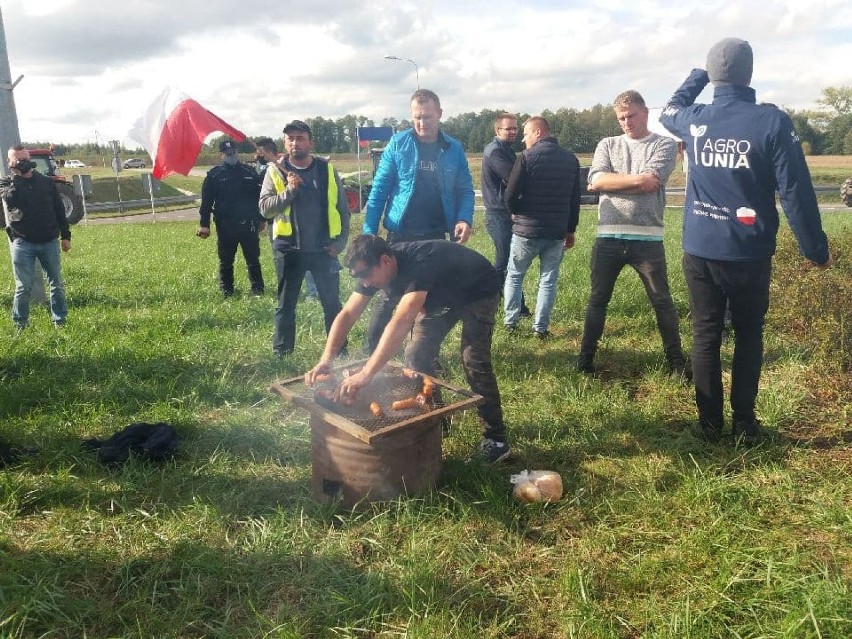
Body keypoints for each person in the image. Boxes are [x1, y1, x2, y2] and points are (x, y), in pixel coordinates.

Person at [659, 37, 833, 444]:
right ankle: (745, 423)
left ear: (714, 76)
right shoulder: (771, 122)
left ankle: (708, 426)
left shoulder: (693, 118)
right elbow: (796, 193)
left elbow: (668, 109)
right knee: (749, 334)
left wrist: (698, 75)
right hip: (748, 252)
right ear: (750, 73)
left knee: (705, 335)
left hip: (700, 247)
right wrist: (815, 250)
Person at [305, 234, 511, 463]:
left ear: (385, 260)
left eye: (365, 274)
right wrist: (327, 358)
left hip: (477, 290)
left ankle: (496, 438)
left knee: (474, 359)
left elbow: (401, 321)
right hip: (439, 297)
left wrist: (366, 374)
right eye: (359, 276)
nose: (364, 282)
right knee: (416, 355)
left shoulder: (418, 263)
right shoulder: (372, 269)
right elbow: (347, 314)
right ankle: (436, 421)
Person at [577, 90, 687, 376]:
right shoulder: (608, 144)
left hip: (648, 238)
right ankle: (584, 360)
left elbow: (651, 182)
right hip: (608, 235)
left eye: (631, 116)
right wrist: (631, 181)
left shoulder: (664, 144)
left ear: (645, 113)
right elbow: (596, 178)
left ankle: (676, 362)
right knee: (597, 300)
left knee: (661, 300)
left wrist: (609, 182)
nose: (626, 122)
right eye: (621, 118)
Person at [362, 89, 475, 354]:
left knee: (428, 299)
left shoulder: (453, 148)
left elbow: (465, 190)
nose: (422, 123)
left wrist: (463, 218)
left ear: (439, 114)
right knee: (390, 296)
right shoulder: (398, 144)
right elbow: (379, 191)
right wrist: (369, 232)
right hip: (401, 234)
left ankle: (420, 355)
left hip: (435, 235)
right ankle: (371, 354)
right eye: (416, 118)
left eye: (427, 117)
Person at [259, 120, 350, 357]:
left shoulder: (326, 170)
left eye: (300, 138)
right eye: (290, 138)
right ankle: (282, 354)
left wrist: (339, 244)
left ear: (310, 142)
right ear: (284, 143)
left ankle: (338, 352)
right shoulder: (274, 172)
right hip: (289, 251)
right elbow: (265, 209)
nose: (295, 143)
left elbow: (342, 209)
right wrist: (289, 191)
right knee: (286, 305)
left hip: (324, 250)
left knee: (332, 305)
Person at [503, 116, 580, 338]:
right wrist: (570, 229)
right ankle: (540, 328)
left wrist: (516, 211)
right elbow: (575, 199)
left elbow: (510, 194)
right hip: (556, 231)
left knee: (515, 275)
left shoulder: (527, 157)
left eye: (526, 134)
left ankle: (510, 323)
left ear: (538, 133)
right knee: (548, 280)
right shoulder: (570, 159)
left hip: (526, 230)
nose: (523, 140)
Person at [1, 145, 71, 329]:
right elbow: (11, 200)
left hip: (49, 241)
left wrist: (66, 236)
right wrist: (18, 176)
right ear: (10, 163)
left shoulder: (46, 182)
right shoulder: (7, 183)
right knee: (23, 287)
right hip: (23, 243)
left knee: (56, 283)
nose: (24, 162)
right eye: (18, 159)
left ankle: (60, 322)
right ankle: (20, 325)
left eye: (25, 158)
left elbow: (59, 210)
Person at [255, 136, 321, 299]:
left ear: (267, 152)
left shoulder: (285, 167)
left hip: (306, 224)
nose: (256, 156)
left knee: (309, 260)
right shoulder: (269, 170)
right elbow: (265, 204)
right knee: (282, 262)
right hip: (280, 226)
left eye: (259, 152)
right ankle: (287, 293)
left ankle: (313, 292)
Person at [197, 139, 265, 297]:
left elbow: (260, 198)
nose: (231, 154)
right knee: (226, 260)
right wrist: (204, 225)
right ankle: (227, 290)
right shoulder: (214, 175)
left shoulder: (250, 172)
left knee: (253, 259)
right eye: (227, 153)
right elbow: (206, 202)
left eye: (233, 151)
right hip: (226, 225)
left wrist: (262, 219)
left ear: (237, 152)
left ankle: (258, 290)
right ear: (221, 155)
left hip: (249, 224)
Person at [481, 112, 530, 317]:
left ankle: (512, 305)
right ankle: (497, 303)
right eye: (507, 128)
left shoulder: (507, 150)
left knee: (509, 262)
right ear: (497, 130)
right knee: (505, 263)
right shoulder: (495, 152)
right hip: (498, 214)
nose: (512, 132)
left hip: (506, 212)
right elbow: (513, 178)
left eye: (514, 128)